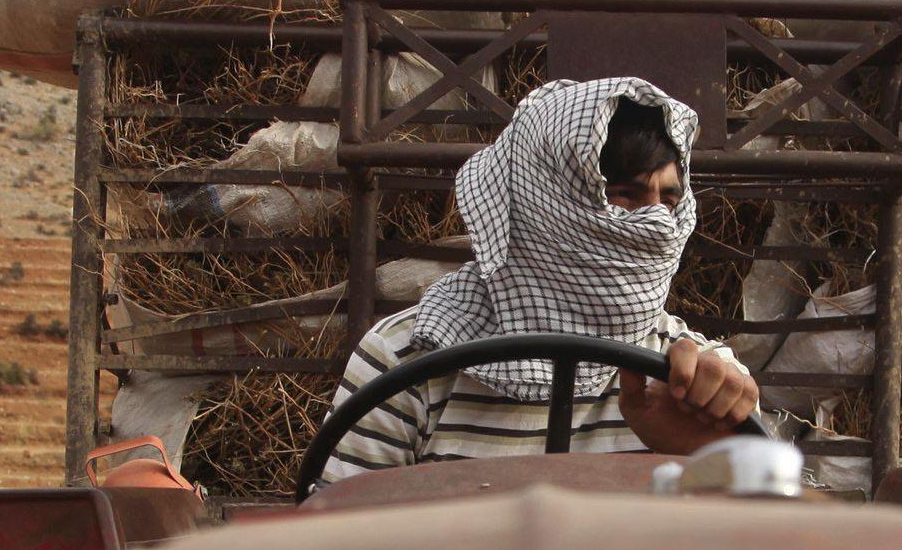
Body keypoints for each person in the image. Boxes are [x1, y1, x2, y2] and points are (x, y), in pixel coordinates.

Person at [317, 77, 761, 482]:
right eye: (621, 195)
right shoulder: (406, 358)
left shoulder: (700, 380)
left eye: (668, 200)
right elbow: (341, 546)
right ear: (542, 200)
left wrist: (698, 455)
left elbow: (764, 546)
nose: (656, 224)